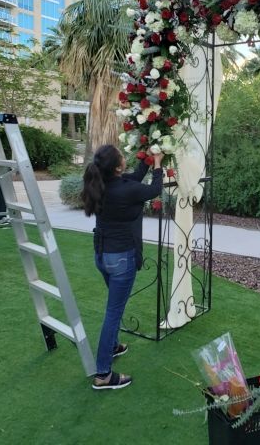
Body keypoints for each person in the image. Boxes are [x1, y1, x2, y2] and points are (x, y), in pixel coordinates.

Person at [81, 144, 163, 390]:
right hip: (120, 259)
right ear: (118, 167)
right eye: (122, 158)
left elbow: (136, 178)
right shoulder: (125, 190)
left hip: (102, 256)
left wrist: (148, 160)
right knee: (113, 312)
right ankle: (103, 374)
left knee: (114, 308)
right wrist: (158, 163)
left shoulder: (103, 182)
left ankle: (114, 346)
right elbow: (153, 189)